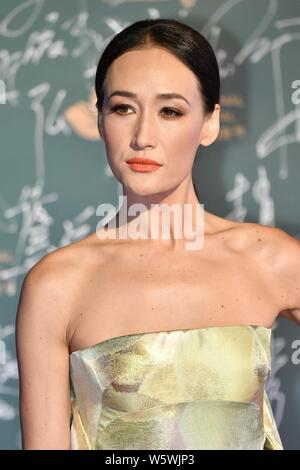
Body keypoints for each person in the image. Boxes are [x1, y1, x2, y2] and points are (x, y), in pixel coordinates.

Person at [16, 18, 300, 450]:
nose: (143, 136)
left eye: (170, 111)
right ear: (100, 119)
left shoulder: (270, 258)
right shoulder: (57, 284)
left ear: (209, 123)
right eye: (123, 108)